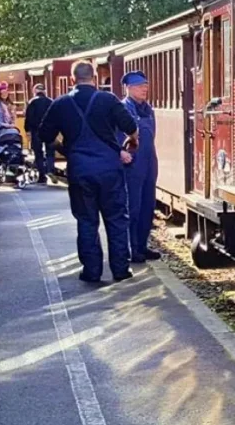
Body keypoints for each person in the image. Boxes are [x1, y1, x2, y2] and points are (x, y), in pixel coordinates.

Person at [39, 61, 139, 284]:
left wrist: (65, 149)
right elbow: (130, 126)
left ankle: (92, 272)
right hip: (110, 171)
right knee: (116, 220)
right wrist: (130, 142)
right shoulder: (108, 99)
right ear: (94, 77)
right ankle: (121, 270)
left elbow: (45, 134)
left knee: (86, 221)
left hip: (80, 171)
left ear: (73, 79)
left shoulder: (61, 104)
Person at [119, 70, 160, 264]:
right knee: (133, 206)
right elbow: (118, 137)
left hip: (149, 160)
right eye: (139, 86)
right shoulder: (123, 109)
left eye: (145, 86)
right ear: (128, 88)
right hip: (133, 163)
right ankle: (132, 247)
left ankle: (142, 244)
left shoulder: (148, 109)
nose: (144, 89)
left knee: (147, 205)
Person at [24, 83, 54, 182]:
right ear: (44, 91)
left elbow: (28, 118)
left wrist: (27, 130)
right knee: (50, 152)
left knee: (38, 153)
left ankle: (42, 175)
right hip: (50, 130)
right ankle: (50, 170)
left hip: (36, 130)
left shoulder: (32, 102)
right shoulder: (51, 101)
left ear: (35, 91)